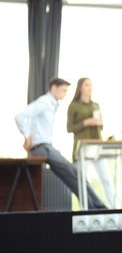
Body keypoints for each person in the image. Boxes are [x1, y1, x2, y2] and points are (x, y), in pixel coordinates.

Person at [15, 78, 107, 210]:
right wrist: (27, 137)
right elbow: (20, 116)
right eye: (63, 90)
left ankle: (94, 206)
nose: (64, 94)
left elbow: (32, 120)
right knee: (74, 172)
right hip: (41, 148)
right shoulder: (44, 102)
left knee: (73, 175)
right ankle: (98, 207)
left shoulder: (52, 104)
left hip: (46, 147)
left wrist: (29, 133)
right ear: (54, 88)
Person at [67, 77, 116, 208]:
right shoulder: (74, 106)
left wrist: (99, 123)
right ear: (80, 88)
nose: (90, 87)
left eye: (91, 85)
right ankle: (84, 209)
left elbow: (101, 127)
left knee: (107, 179)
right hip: (82, 148)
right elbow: (69, 128)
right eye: (87, 85)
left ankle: (115, 207)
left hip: (98, 146)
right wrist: (85, 123)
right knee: (82, 181)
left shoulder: (96, 105)